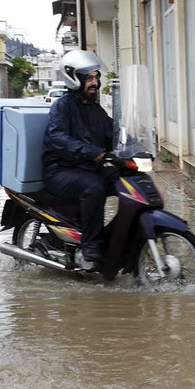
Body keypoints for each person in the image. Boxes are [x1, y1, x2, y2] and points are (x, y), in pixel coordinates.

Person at [42, 50, 115, 269]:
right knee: (94, 187)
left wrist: (135, 142)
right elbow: (57, 137)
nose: (95, 83)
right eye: (89, 78)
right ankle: (91, 246)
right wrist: (91, 151)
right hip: (59, 170)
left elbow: (111, 130)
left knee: (127, 176)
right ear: (76, 80)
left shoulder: (94, 108)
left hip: (85, 167)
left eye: (96, 78)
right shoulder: (63, 106)